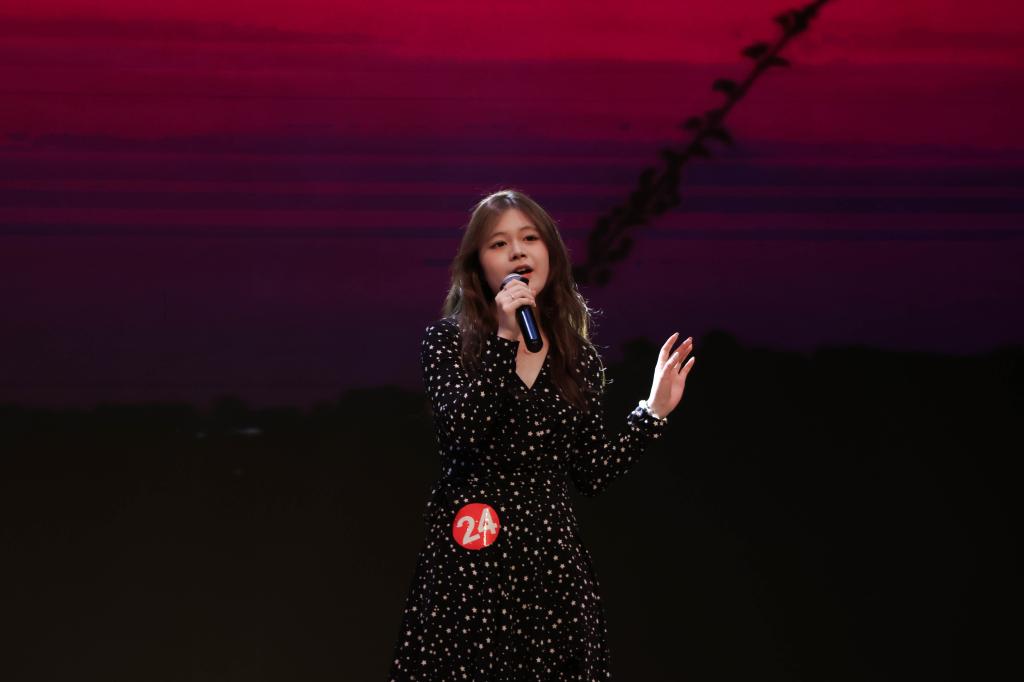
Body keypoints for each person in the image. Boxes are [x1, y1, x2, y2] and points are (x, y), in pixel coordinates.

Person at [388, 188, 695, 681]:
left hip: (551, 568)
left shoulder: (577, 359)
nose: (517, 252)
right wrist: (505, 339)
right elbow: (464, 431)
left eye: (530, 238)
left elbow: (590, 473)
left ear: (550, 250)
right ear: (479, 265)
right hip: (472, 563)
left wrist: (652, 412)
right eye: (499, 243)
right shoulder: (447, 342)